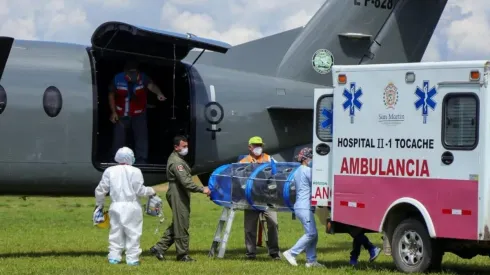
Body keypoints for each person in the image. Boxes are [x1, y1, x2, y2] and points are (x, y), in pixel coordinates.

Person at [150, 135, 211, 262]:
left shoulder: (178, 158)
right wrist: (202, 189)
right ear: (176, 147)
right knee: (182, 223)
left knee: (179, 222)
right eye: (184, 146)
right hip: (177, 192)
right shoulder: (177, 162)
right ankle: (182, 255)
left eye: (187, 146)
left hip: (179, 191)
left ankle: (159, 247)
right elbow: (186, 182)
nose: (186, 148)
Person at [94, 146, 157, 266]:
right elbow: (140, 190)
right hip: (132, 206)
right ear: (129, 158)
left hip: (115, 205)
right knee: (133, 233)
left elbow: (100, 190)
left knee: (115, 232)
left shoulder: (109, 171)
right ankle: (132, 259)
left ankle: (114, 257)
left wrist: (99, 206)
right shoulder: (136, 171)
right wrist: (151, 191)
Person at [109, 60, 167, 164]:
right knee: (119, 137)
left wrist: (159, 93)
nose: (133, 75)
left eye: (135, 72)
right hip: (121, 114)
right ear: (125, 72)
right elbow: (111, 95)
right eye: (130, 72)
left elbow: (151, 86)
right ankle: (115, 158)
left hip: (138, 114)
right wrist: (113, 112)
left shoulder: (143, 78)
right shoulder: (118, 78)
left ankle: (142, 159)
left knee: (141, 136)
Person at [282, 147, 325, 268]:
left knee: (314, 235)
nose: (313, 160)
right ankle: (291, 253)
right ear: (306, 159)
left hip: (301, 206)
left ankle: (311, 261)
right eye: (311, 158)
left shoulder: (297, 171)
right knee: (311, 233)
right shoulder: (308, 171)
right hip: (304, 206)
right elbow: (319, 182)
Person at [239, 136, 281, 260]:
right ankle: (250, 253)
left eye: (260, 145)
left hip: (268, 198)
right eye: (256, 145)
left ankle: (274, 252)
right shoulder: (243, 162)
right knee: (250, 227)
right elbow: (240, 180)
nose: (259, 148)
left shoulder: (269, 159)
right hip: (251, 199)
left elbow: (277, 174)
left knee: (273, 224)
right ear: (249, 147)